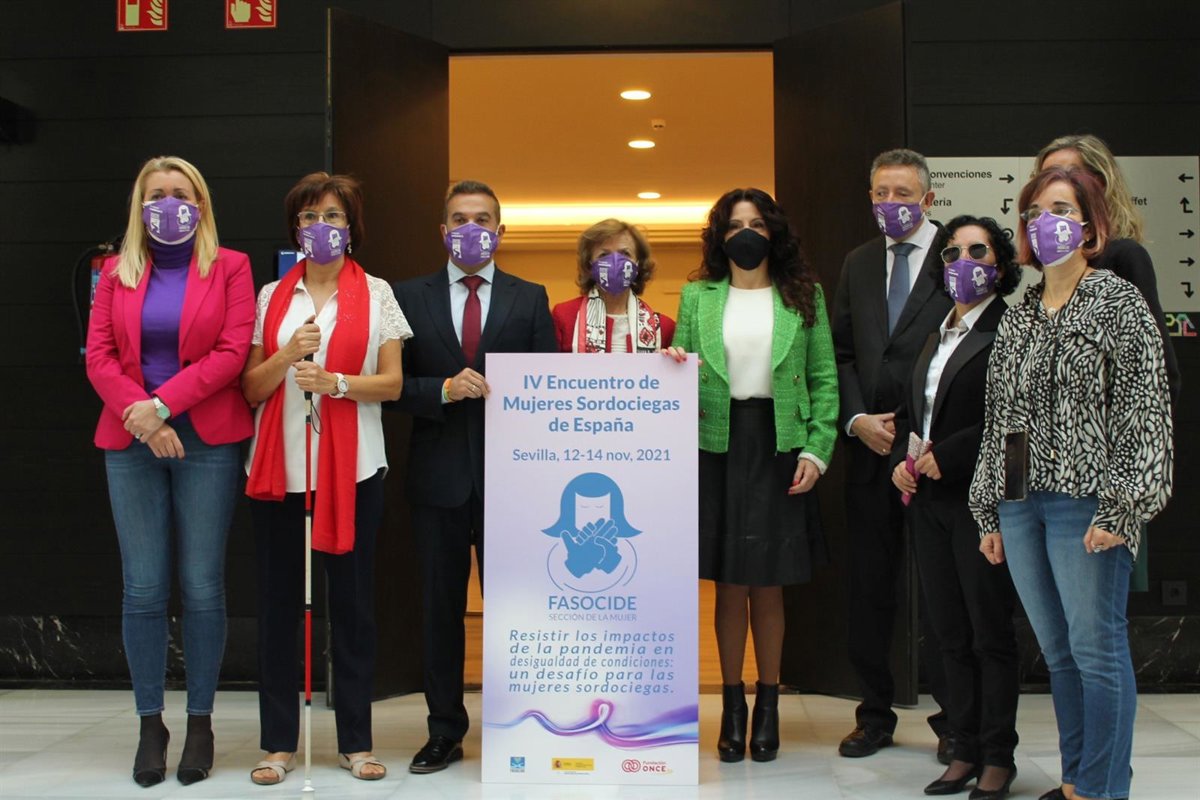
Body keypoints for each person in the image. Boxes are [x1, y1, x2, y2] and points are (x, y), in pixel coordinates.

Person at [970, 166, 1174, 800]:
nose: (1045, 222)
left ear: (1089, 225)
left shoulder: (1117, 301)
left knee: (1096, 651)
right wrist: (989, 510)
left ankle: (1103, 788)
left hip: (1087, 503)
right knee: (1057, 654)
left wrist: (1122, 506)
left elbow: (1144, 410)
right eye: (1035, 212)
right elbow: (1001, 418)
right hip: (1021, 505)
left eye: (1060, 209)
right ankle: (1076, 781)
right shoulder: (1020, 315)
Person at [85, 155, 255, 787]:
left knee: (202, 585)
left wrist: (161, 406)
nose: (167, 203)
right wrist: (144, 418)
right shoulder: (114, 272)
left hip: (206, 439)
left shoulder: (231, 266)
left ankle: (201, 722)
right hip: (130, 439)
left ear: (200, 203)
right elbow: (98, 355)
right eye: (155, 194)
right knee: (143, 588)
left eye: (179, 193)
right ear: (140, 206)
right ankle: (150, 723)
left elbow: (232, 353)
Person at [243, 172, 410, 785]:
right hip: (280, 471)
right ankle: (277, 744)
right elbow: (251, 388)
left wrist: (335, 383)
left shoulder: (378, 292)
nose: (322, 226)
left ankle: (356, 742)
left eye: (333, 216)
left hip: (355, 469)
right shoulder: (271, 296)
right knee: (278, 607)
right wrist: (288, 355)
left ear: (351, 226)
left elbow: (391, 384)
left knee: (353, 607)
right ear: (296, 229)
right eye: (310, 216)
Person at [665, 187, 838, 763]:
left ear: (774, 232)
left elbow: (824, 379)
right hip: (715, 445)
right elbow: (680, 367)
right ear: (720, 236)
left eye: (757, 224)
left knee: (768, 581)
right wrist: (672, 362)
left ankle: (768, 703)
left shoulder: (802, 294)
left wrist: (817, 450)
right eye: (735, 224)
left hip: (780, 444)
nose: (746, 234)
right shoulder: (698, 296)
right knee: (729, 582)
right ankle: (732, 703)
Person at [392, 180, 557, 774]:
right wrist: (442, 389)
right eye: (460, 218)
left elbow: (548, 390)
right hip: (437, 478)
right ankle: (444, 730)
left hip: (512, 482)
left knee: (515, 611)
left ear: (500, 231)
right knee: (440, 611)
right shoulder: (405, 297)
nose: (471, 228)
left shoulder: (530, 298)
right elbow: (390, 386)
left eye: (482, 218)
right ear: (443, 231)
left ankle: (520, 726)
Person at [890, 215, 1021, 799]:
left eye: (977, 251)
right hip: (929, 500)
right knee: (948, 631)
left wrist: (952, 453)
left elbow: (1012, 417)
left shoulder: (1011, 328)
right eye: (952, 253)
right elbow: (917, 414)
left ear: (1000, 264)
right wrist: (903, 459)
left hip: (982, 499)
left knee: (988, 632)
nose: (963, 262)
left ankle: (998, 755)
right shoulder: (935, 332)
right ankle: (963, 747)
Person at [831, 148, 953, 760]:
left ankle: (956, 720)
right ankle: (874, 715)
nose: (890, 204)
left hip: (933, 452)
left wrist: (919, 430)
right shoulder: (857, 262)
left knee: (944, 592)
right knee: (870, 590)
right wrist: (856, 421)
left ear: (928, 199)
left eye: (902, 193)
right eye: (881, 193)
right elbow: (843, 352)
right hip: (869, 450)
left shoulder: (958, 255)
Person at [1033, 133, 1180, 404]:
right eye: (1046, 177)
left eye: (1067, 175)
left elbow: (1159, 376)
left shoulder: (1124, 257)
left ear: (1099, 184)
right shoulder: (1052, 273)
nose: (1055, 185)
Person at [551, 218, 675, 352]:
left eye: (625, 253)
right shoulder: (564, 317)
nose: (615, 262)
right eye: (604, 254)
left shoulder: (663, 328)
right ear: (589, 264)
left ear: (638, 263)